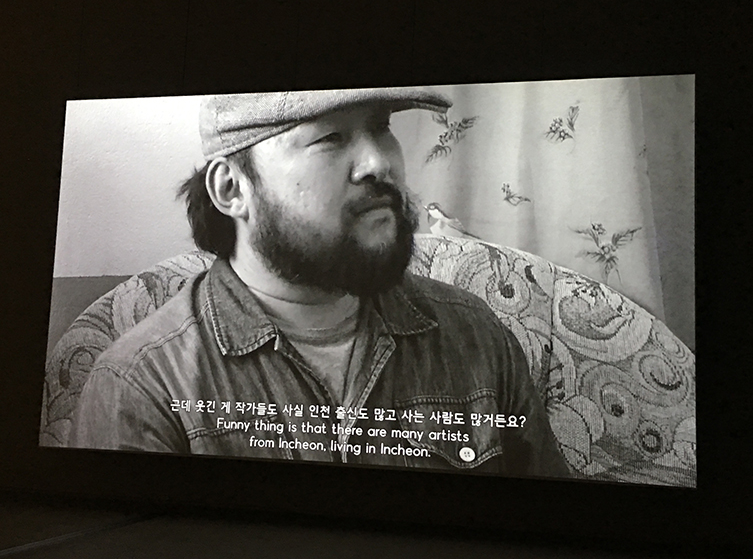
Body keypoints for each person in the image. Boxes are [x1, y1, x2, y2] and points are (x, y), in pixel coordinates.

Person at [69, 87, 571, 479]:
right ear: (231, 188)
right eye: (330, 137)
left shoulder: (474, 334)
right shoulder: (145, 386)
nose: (379, 163)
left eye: (381, 127)